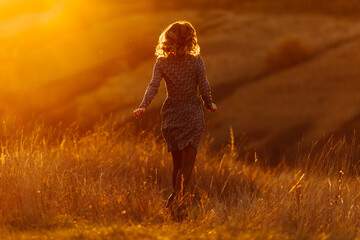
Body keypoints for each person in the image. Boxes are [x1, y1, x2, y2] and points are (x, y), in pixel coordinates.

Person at [133, 20, 217, 220]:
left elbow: (153, 86)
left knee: (177, 165)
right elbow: (203, 85)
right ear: (190, 40)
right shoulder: (196, 61)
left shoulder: (162, 63)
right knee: (187, 166)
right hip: (192, 114)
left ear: (169, 39)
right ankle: (175, 201)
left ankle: (179, 210)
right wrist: (209, 103)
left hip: (171, 114)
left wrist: (143, 105)